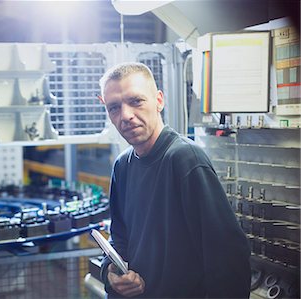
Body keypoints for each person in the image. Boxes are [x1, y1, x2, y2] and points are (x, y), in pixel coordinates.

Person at [98, 62, 251, 298]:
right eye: (114, 108)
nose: (126, 115)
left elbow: (228, 257)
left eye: (136, 101)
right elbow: (120, 239)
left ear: (159, 100)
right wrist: (111, 274)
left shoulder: (185, 159)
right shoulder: (122, 166)